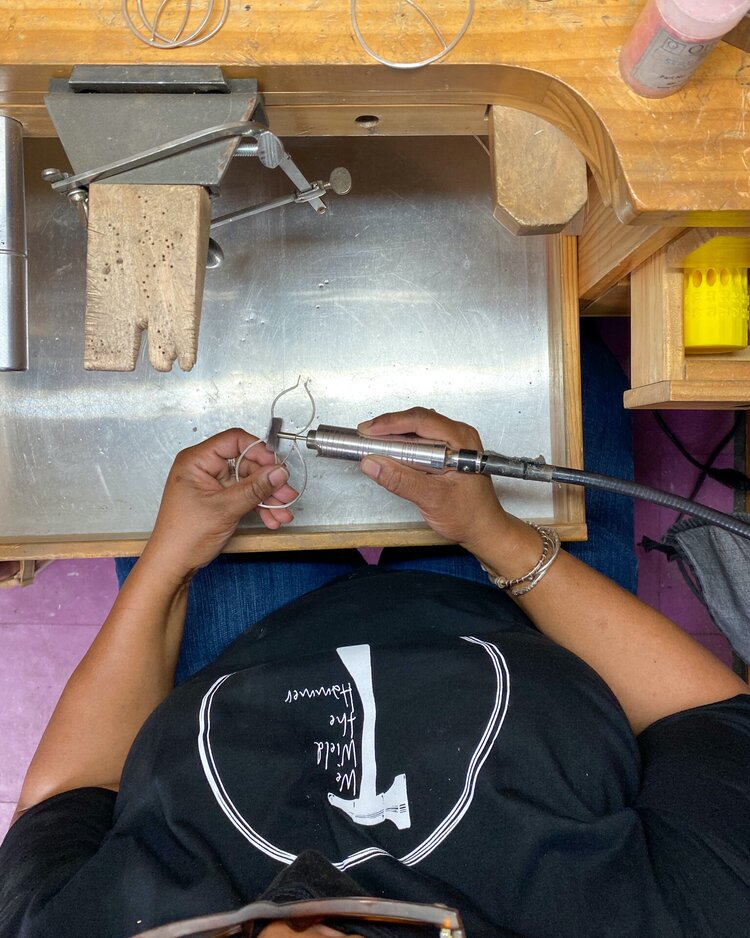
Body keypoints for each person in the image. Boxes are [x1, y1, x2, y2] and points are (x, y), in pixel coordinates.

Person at [1, 403, 749, 938]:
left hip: (240, 656)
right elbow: (709, 719)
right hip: (529, 618)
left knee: (180, 400)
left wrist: (172, 556)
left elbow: (70, 796)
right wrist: (495, 532)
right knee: (563, 364)